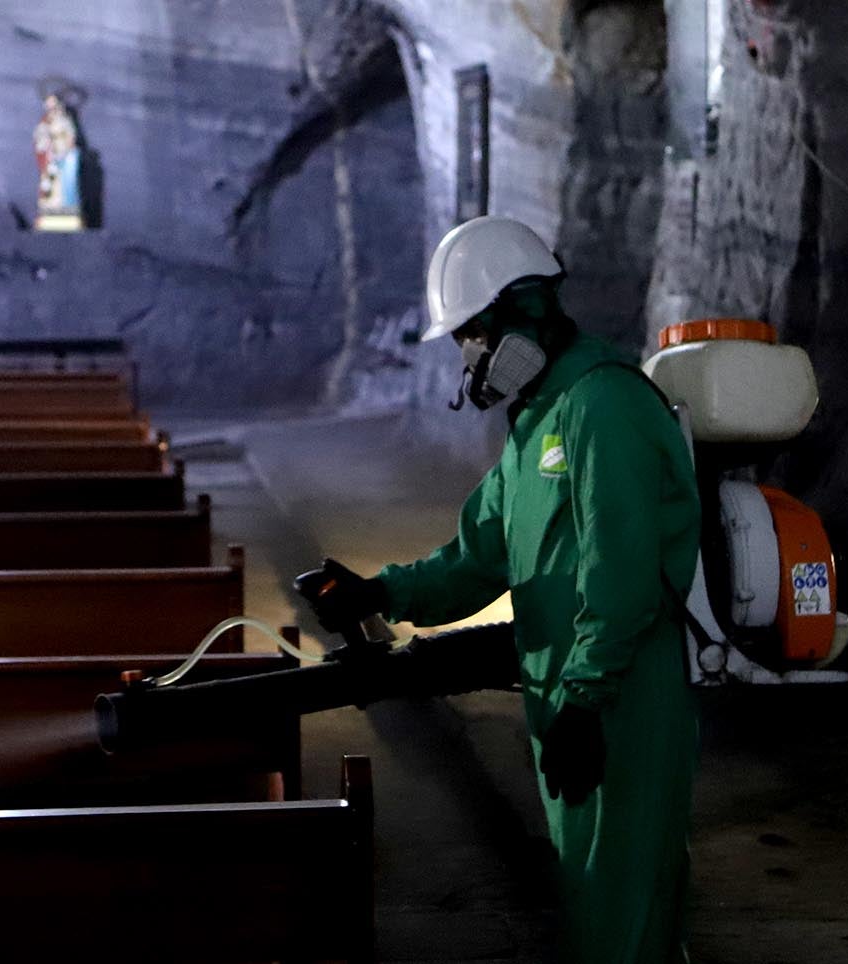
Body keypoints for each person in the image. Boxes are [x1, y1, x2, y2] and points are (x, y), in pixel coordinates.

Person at [303, 216, 701, 963]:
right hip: (565, 690)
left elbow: (618, 575)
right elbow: (479, 553)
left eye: (469, 336)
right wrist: (378, 593)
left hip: (619, 698)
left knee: (621, 911)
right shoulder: (539, 418)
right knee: (596, 900)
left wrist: (585, 700)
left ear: (514, 319)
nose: (467, 356)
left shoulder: (600, 405)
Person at [33, 93, 81, 215]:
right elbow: (39, 136)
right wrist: (45, 142)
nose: (51, 108)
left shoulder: (64, 120)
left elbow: (71, 136)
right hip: (50, 154)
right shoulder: (45, 121)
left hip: (63, 153)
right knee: (50, 181)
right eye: (49, 105)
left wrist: (64, 150)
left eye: (53, 105)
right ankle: (51, 208)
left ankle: (66, 208)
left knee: (64, 182)